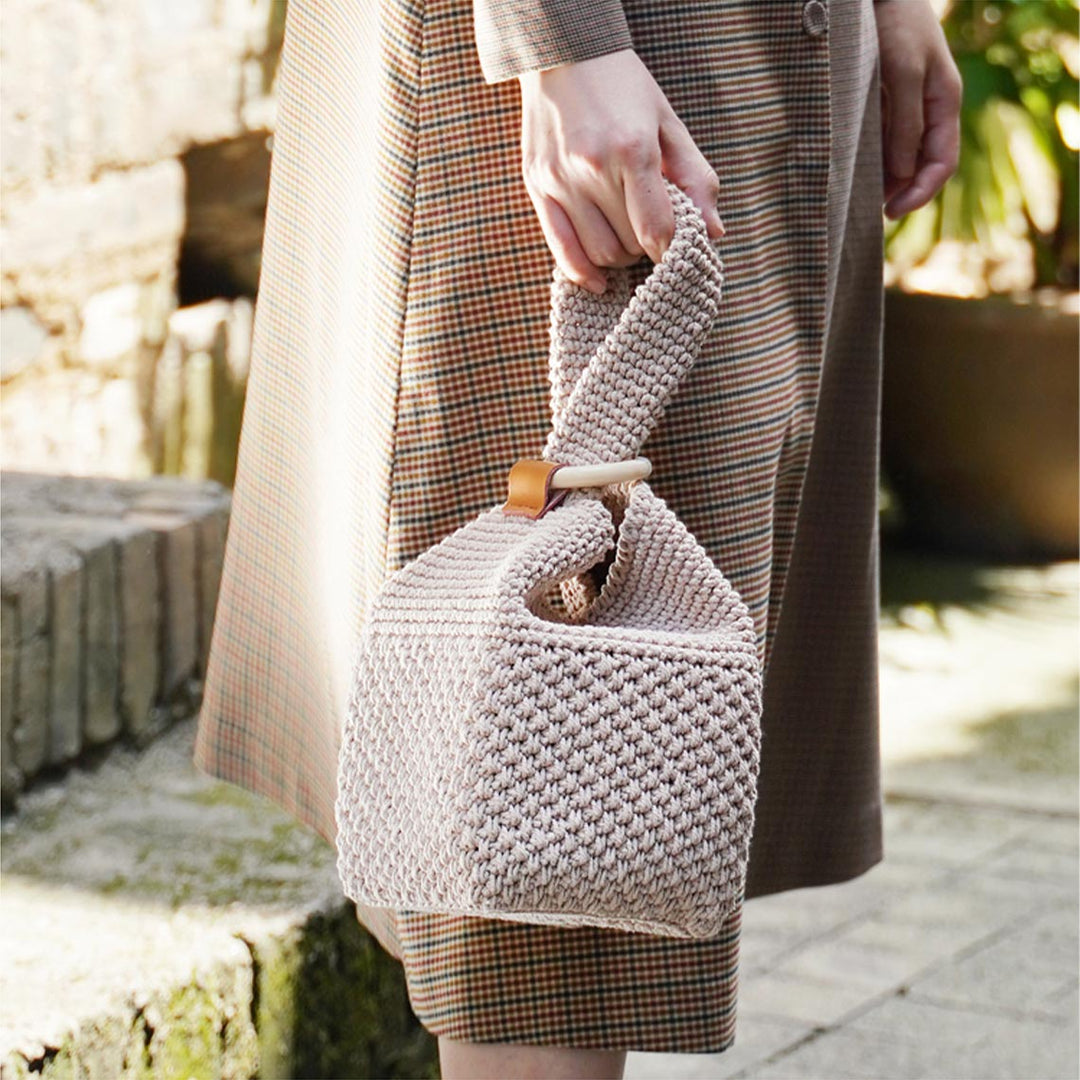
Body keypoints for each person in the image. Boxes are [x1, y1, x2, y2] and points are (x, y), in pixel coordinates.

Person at [193, 1, 961, 1077]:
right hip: (603, 54)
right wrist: (562, 44)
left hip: (760, 47)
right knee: (543, 811)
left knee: (620, 771)